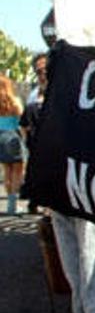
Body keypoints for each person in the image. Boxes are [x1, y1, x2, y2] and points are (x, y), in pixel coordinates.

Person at [21, 52, 49, 213]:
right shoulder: (33, 97)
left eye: (46, 69)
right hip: (38, 147)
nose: (43, 74)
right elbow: (25, 122)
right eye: (39, 71)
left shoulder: (67, 90)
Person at [0, 74, 25, 214]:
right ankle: (13, 203)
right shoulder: (15, 101)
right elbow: (22, 120)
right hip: (13, 138)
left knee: (7, 171)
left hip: (0, 137)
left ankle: (10, 205)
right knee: (17, 171)